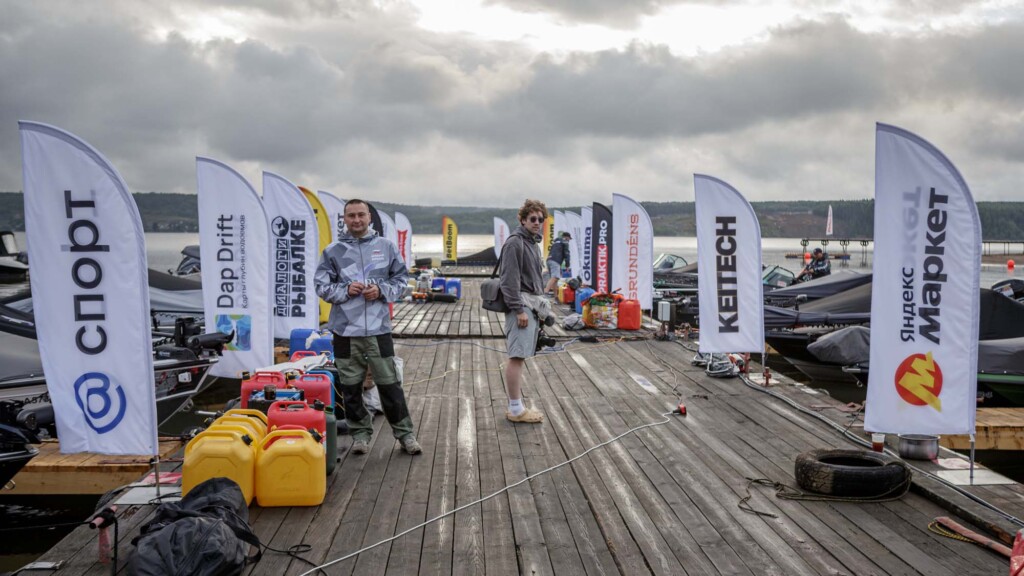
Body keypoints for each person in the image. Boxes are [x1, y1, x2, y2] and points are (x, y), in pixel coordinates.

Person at [314, 199, 421, 455]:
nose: (357, 220)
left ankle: (405, 434)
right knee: (350, 387)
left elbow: (402, 280)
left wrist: (381, 290)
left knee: (390, 384)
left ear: (369, 218)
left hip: (378, 329)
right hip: (345, 331)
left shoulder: (386, 247)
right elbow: (321, 286)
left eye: (361, 215)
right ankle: (360, 434)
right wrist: (344, 290)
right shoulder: (332, 251)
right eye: (351, 215)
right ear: (345, 219)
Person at [499, 199, 549, 423]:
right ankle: (516, 410)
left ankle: (516, 407)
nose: (537, 223)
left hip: (531, 305)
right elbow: (508, 281)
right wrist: (518, 310)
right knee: (516, 357)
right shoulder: (515, 243)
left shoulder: (532, 243)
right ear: (522, 220)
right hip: (521, 306)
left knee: (520, 356)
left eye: (541, 219)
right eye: (533, 219)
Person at [544, 231, 572, 296]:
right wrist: (567, 265)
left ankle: (556, 296)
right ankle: (545, 292)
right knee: (555, 277)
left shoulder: (556, 242)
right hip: (555, 261)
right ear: (566, 237)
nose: (569, 240)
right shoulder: (565, 241)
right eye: (569, 238)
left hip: (549, 260)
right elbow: (567, 253)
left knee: (555, 280)